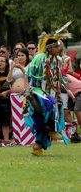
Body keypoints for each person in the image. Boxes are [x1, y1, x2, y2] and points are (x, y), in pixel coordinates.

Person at [25, 22, 71, 156]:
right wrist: (28, 91)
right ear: (50, 48)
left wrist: (58, 92)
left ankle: (38, 146)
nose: (59, 49)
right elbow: (29, 75)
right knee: (48, 105)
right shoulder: (39, 58)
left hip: (51, 92)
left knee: (46, 113)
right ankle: (51, 128)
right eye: (57, 47)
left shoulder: (57, 60)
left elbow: (57, 79)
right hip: (37, 90)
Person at [8, 48, 33, 146]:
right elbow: (9, 80)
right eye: (18, 55)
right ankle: (17, 138)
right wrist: (12, 68)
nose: (20, 57)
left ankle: (27, 139)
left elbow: (31, 79)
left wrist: (22, 69)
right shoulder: (14, 67)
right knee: (16, 118)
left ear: (26, 57)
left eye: (22, 55)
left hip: (25, 95)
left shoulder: (30, 66)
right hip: (14, 96)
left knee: (25, 116)